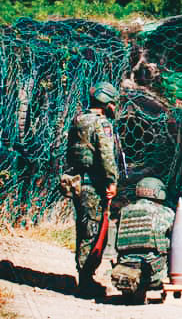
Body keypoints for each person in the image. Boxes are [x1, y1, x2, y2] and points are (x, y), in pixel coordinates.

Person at [61, 81, 120, 297]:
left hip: (78, 182)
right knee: (92, 232)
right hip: (94, 184)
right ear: (106, 101)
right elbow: (106, 156)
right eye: (112, 102)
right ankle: (86, 281)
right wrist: (111, 181)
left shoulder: (78, 119)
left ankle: (84, 276)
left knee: (84, 228)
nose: (114, 106)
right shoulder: (101, 124)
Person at [110, 177, 175, 302]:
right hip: (154, 271)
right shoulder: (166, 213)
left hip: (124, 268)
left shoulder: (124, 211)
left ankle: (131, 288)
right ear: (159, 192)